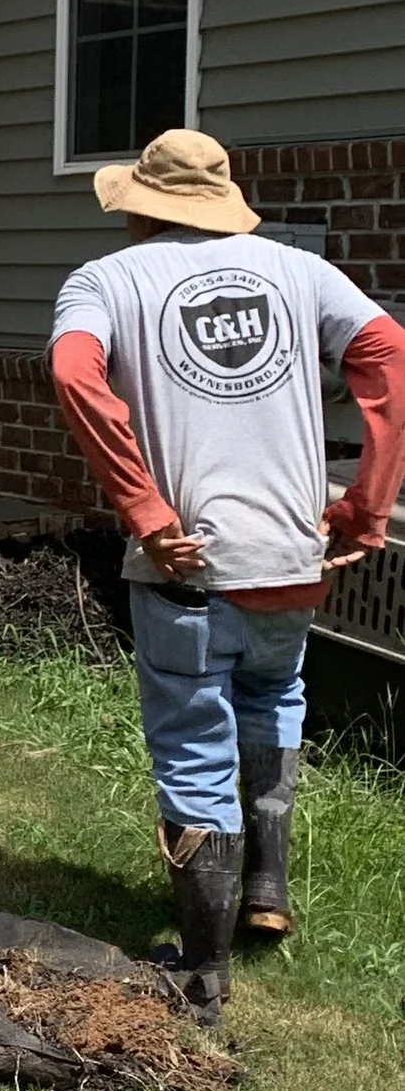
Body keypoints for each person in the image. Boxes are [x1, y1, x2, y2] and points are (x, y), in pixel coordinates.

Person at [48, 126, 405, 1018]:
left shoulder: (106, 281)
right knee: (272, 697)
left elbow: (72, 369)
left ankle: (201, 975)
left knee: (192, 746)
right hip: (292, 556)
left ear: (140, 205)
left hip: (188, 564)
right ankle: (265, 890)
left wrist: (145, 511)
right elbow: (391, 351)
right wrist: (365, 507)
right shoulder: (297, 271)